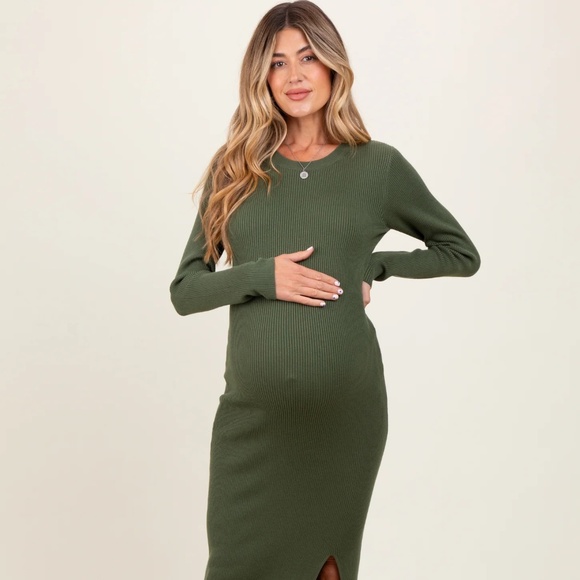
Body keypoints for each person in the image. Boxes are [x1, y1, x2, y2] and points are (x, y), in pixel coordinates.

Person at [170, 1, 480, 578]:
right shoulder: (235, 170)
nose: (294, 75)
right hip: (252, 423)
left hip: (344, 419)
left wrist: (374, 266)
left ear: (333, 66)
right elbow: (186, 290)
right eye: (278, 62)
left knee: (327, 571)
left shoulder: (377, 167)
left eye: (308, 57)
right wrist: (262, 276)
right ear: (261, 77)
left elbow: (461, 253)